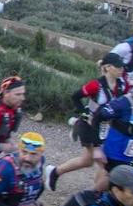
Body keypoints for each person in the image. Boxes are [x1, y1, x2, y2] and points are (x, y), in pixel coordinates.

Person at [48, 53, 128, 192]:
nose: (122, 69)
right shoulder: (95, 85)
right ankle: (95, 194)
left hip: (105, 127)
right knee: (105, 163)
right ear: (108, 67)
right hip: (89, 126)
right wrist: (83, 113)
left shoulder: (122, 85)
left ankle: (54, 172)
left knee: (87, 161)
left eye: (122, 67)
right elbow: (75, 97)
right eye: (118, 67)